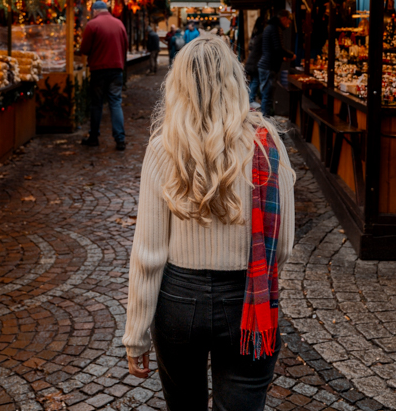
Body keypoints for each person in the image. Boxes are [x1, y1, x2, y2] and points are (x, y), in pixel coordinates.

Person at [123, 38, 295, 411]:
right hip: (247, 299)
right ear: (235, 80)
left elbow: (148, 253)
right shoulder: (267, 143)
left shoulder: (163, 147)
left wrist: (136, 335)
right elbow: (282, 245)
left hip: (178, 301)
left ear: (178, 85)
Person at [79, 0, 128, 151]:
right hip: (116, 70)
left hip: (98, 70)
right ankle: (120, 139)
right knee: (115, 103)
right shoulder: (119, 24)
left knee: (97, 104)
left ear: (94, 11)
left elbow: (84, 49)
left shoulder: (92, 25)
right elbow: (125, 45)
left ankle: (94, 137)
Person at [257, 9, 295, 117]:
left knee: (266, 97)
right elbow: (278, 48)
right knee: (267, 98)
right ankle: (266, 124)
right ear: (284, 18)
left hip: (266, 66)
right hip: (269, 67)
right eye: (288, 22)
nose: (288, 25)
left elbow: (271, 49)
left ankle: (265, 122)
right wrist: (291, 55)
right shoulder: (275, 28)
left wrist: (282, 58)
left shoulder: (270, 27)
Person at [244, 16, 265, 108]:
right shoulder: (261, 36)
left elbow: (250, 47)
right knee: (255, 81)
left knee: (253, 81)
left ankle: (249, 100)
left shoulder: (255, 35)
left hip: (251, 62)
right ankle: (249, 100)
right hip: (255, 63)